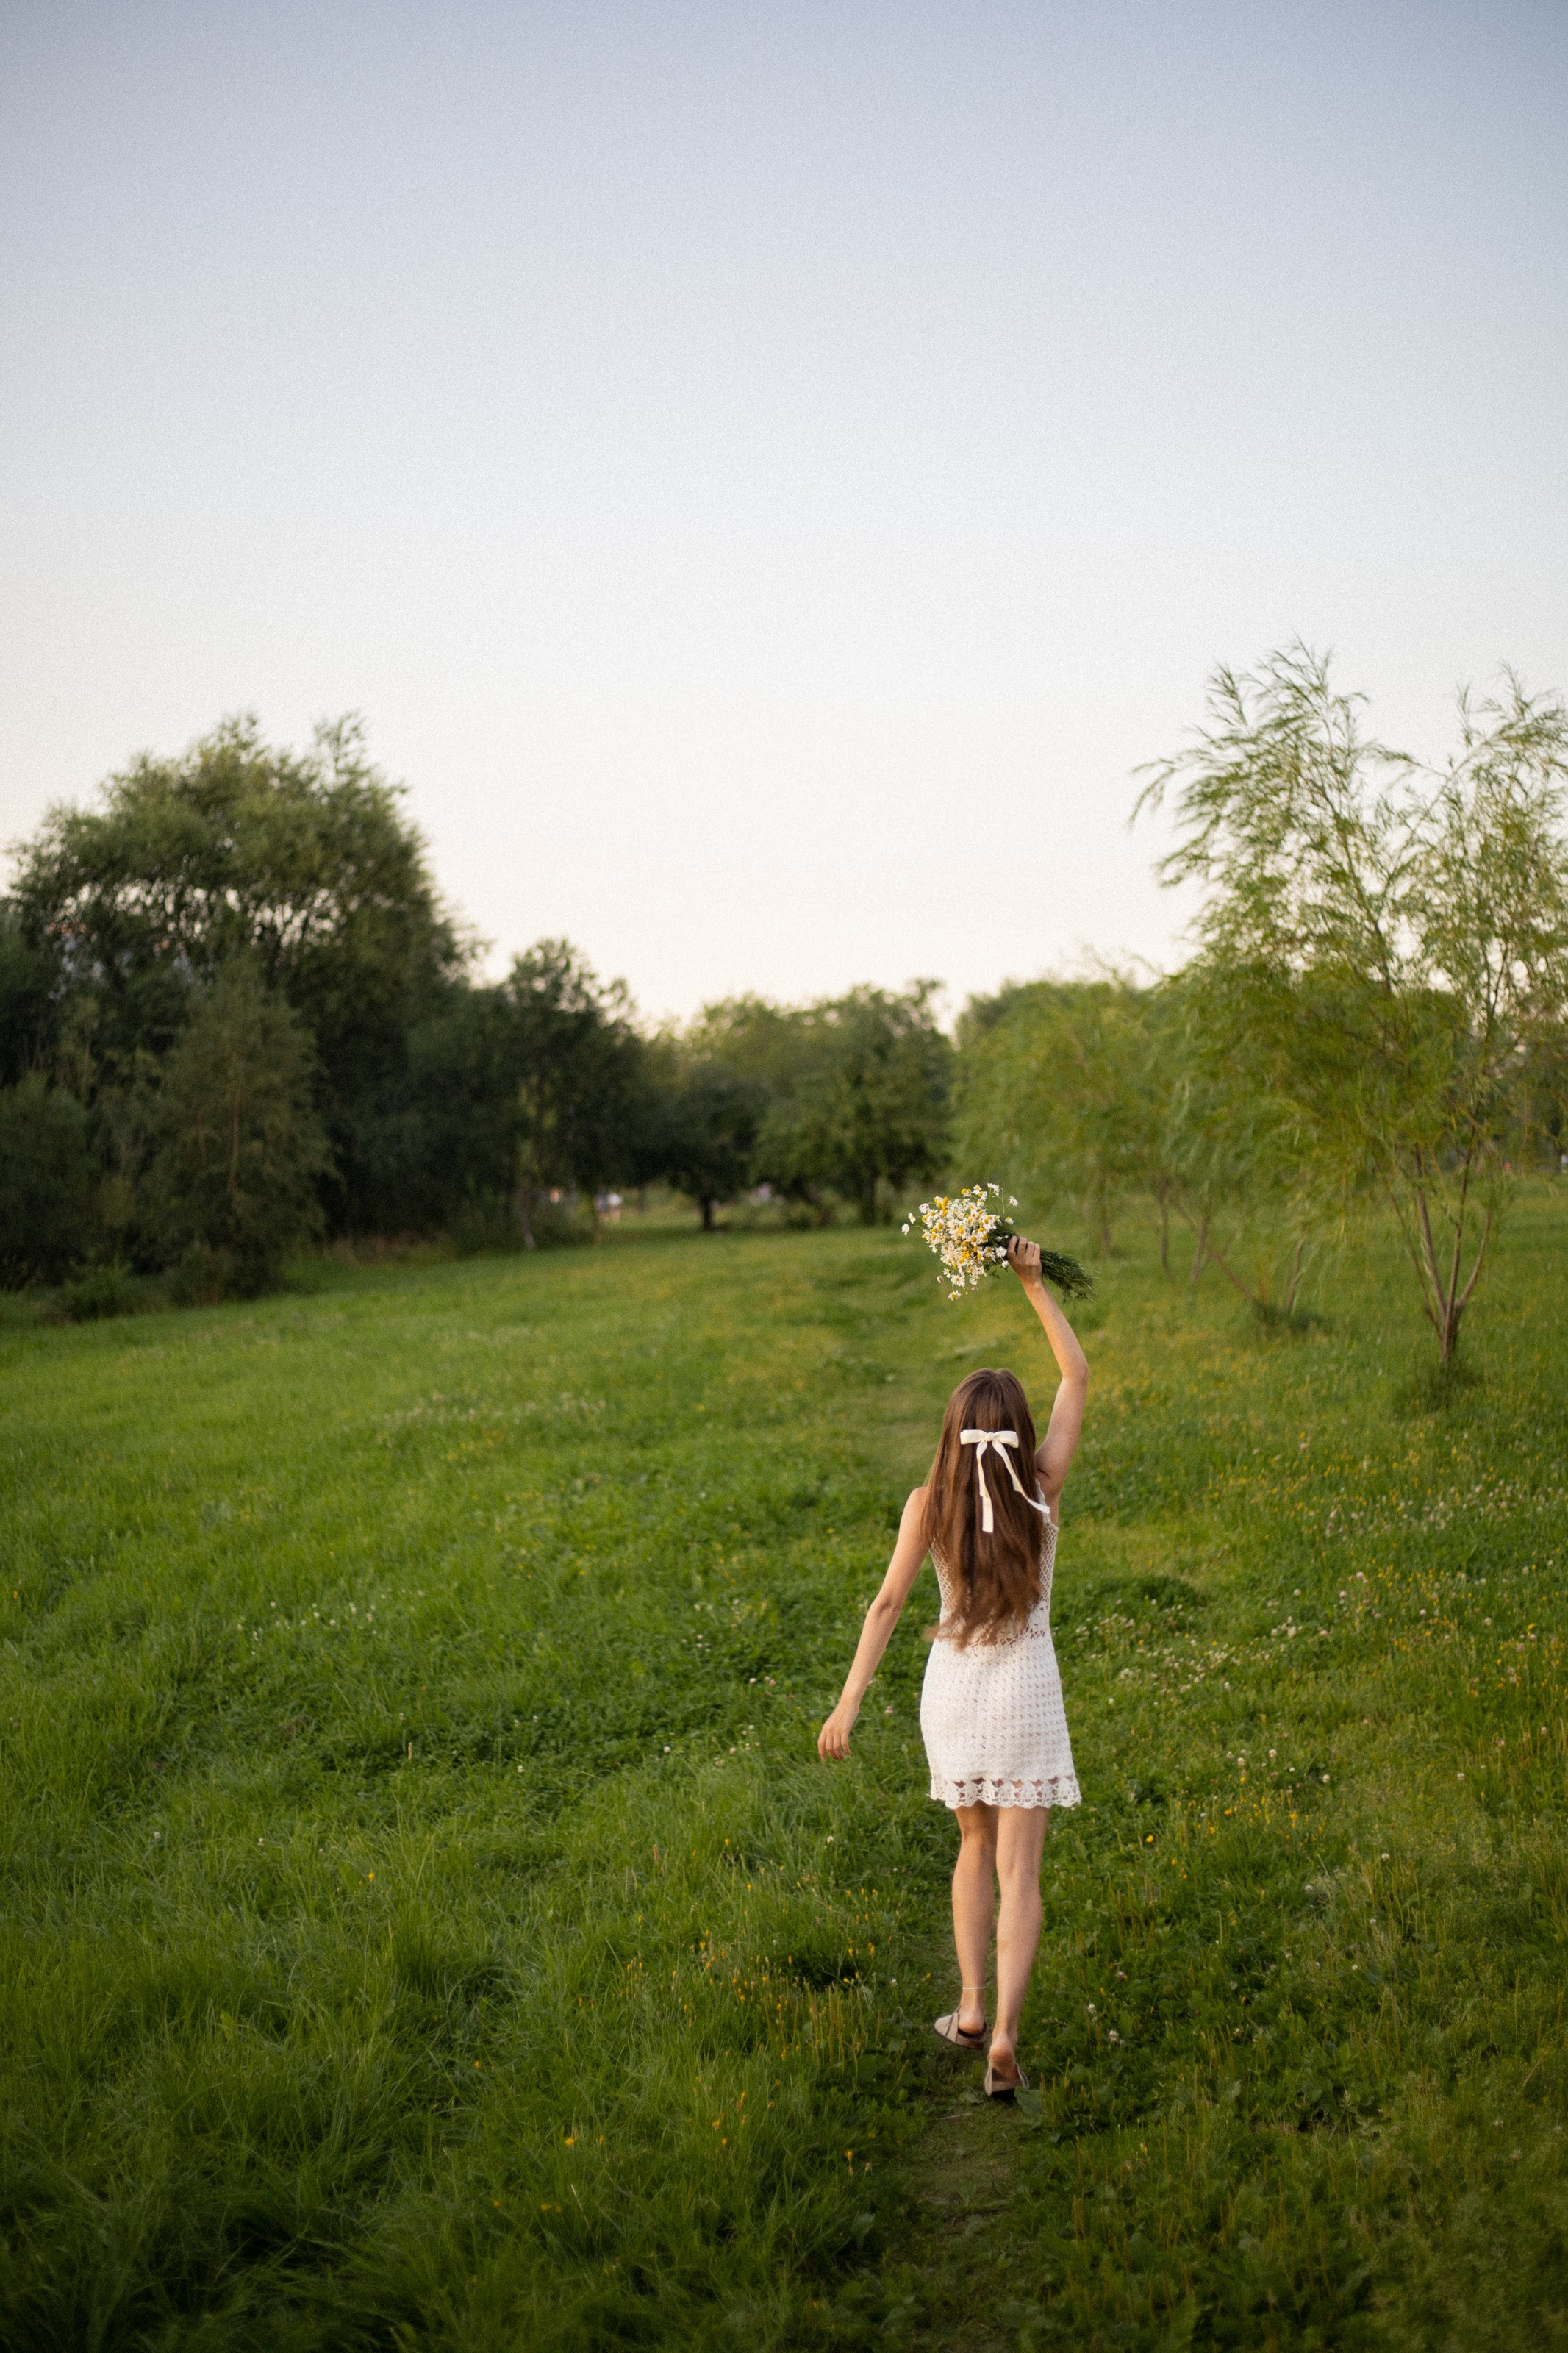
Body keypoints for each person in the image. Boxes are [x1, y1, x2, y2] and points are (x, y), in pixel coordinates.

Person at [817, 1237, 1088, 2099]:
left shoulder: (928, 1503)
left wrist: (848, 1702)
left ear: (950, 1434)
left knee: (973, 1846)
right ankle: (1006, 2033)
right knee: (1023, 1871)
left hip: (959, 1694)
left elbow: (888, 1604)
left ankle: (970, 2011)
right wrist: (1034, 1286)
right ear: (1020, 1434)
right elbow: (1079, 1379)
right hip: (1028, 1692)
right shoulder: (1039, 1491)